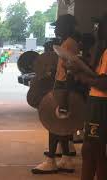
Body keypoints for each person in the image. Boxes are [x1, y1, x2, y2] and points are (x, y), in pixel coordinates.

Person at [32, 14, 80, 174]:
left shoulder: (68, 44)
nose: (56, 28)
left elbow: (71, 73)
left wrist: (65, 97)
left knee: (53, 124)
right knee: (62, 125)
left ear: (67, 26)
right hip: (61, 85)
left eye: (58, 25)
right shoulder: (67, 43)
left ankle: (51, 160)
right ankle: (66, 158)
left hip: (63, 87)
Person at [69, 13, 107, 180]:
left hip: (100, 104)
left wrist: (81, 76)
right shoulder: (103, 50)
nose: (96, 29)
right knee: (94, 151)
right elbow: (99, 77)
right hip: (97, 102)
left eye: (99, 26)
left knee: (92, 150)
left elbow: (104, 84)